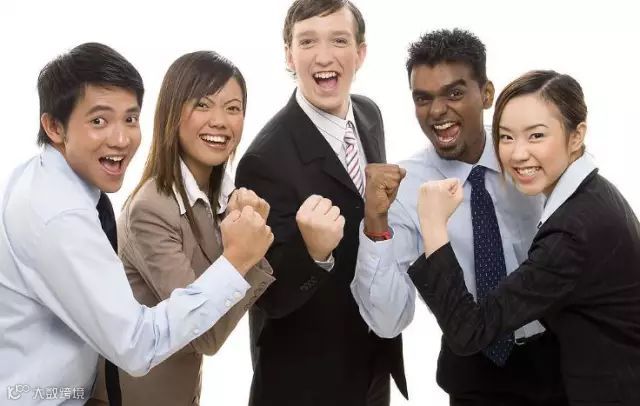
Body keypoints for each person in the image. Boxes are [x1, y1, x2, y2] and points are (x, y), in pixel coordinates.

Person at [0, 42, 273, 406]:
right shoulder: (62, 217)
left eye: (130, 119)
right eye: (99, 121)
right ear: (54, 126)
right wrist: (239, 260)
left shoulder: (47, 181)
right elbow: (138, 345)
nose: (121, 139)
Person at [352, 30, 567, 405]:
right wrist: (375, 222)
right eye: (423, 98)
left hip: (559, 357)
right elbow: (387, 322)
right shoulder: (403, 188)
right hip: (473, 373)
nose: (437, 111)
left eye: (453, 93)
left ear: (486, 94)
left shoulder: (530, 156)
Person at [412, 70, 640, 406]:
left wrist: (433, 226)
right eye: (506, 137)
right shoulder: (594, 192)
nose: (517, 154)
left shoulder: (572, 233)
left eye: (536, 136)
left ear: (576, 136)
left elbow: (469, 331)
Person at [235, 1, 406, 404]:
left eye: (339, 41)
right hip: (306, 384)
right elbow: (267, 297)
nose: (324, 56)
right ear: (288, 54)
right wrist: (314, 254)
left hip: (373, 366)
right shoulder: (263, 160)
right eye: (308, 41)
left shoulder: (369, 114)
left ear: (360, 53)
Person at [88, 51, 275, 406]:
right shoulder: (150, 209)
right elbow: (204, 335)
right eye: (203, 105)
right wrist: (244, 255)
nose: (220, 121)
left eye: (233, 108)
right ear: (172, 113)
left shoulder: (223, 200)